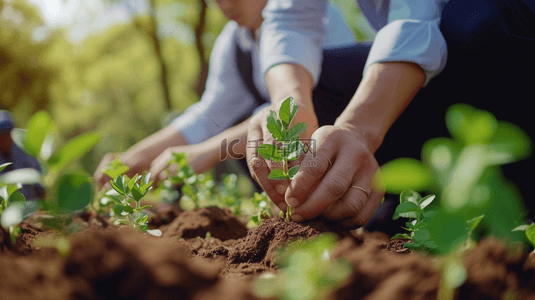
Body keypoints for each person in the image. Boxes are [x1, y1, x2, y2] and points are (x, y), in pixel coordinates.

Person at [246, 0, 535, 229]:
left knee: (472, 18)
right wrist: (289, 103)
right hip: (441, 69)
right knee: (319, 87)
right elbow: (291, 19)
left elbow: (417, 16)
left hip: (507, 58)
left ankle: (514, 191)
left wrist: (357, 129)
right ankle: (408, 198)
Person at [94, 0, 358, 189]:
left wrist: (207, 152)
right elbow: (209, 116)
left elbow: (296, 110)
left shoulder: (307, 12)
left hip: (350, 151)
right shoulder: (233, 43)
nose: (225, 4)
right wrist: (134, 158)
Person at [0, 110, 45, 200]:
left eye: (7, 133)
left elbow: (40, 185)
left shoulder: (25, 153)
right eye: (2, 134)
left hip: (29, 208)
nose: (5, 138)